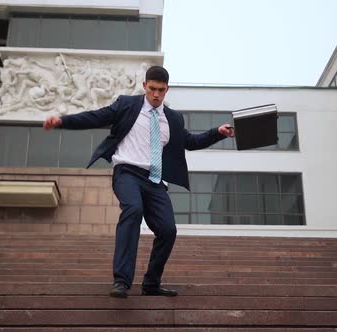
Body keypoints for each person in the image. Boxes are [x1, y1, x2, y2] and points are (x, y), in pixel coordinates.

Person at [43, 66, 234, 298]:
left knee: (168, 230)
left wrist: (217, 132)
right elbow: (96, 116)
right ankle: (122, 281)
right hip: (127, 173)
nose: (156, 95)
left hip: (155, 181)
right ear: (144, 86)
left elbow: (191, 142)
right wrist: (62, 121)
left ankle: (151, 284)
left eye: (161, 90)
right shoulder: (127, 104)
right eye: (152, 89)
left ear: (167, 90)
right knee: (133, 209)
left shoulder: (173, 118)